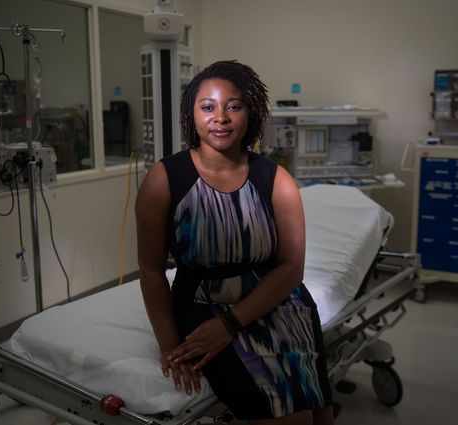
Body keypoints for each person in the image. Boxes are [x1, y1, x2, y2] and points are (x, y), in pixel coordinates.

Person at [135, 60, 334, 425]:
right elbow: (150, 269)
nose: (220, 117)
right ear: (191, 115)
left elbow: (291, 267)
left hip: (278, 304)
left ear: (250, 113)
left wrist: (231, 323)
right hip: (203, 307)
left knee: (319, 418)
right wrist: (168, 345)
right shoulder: (165, 179)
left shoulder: (276, 180)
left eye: (234, 106)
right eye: (207, 106)